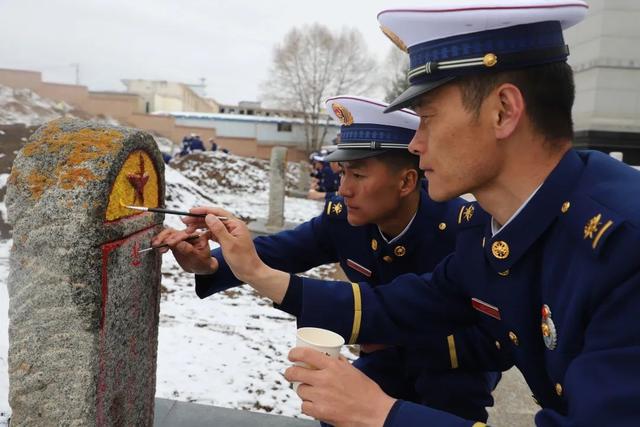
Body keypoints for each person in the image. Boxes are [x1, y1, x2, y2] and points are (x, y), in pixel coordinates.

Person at [170, 1, 640, 425]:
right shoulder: (492, 231)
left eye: (428, 118)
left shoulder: (624, 243)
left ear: (503, 112)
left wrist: (382, 415)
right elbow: (402, 304)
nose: (415, 143)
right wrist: (251, 269)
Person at [152, 95, 499, 421]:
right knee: (331, 409)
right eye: (343, 173)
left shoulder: (460, 229)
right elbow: (279, 251)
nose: (344, 189)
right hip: (388, 358)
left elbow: (493, 340)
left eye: (358, 175)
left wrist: (397, 340)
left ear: (407, 181)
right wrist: (211, 262)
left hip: (452, 368)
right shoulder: (346, 220)